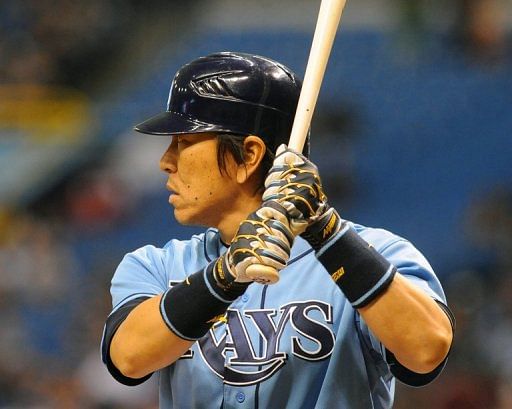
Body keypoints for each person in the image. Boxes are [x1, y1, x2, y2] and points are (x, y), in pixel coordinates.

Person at [101, 52, 455, 408]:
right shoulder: (157, 266)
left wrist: (326, 232)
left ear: (250, 156)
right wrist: (223, 276)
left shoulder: (378, 253)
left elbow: (427, 350)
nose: (166, 161)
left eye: (184, 143)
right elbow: (128, 358)